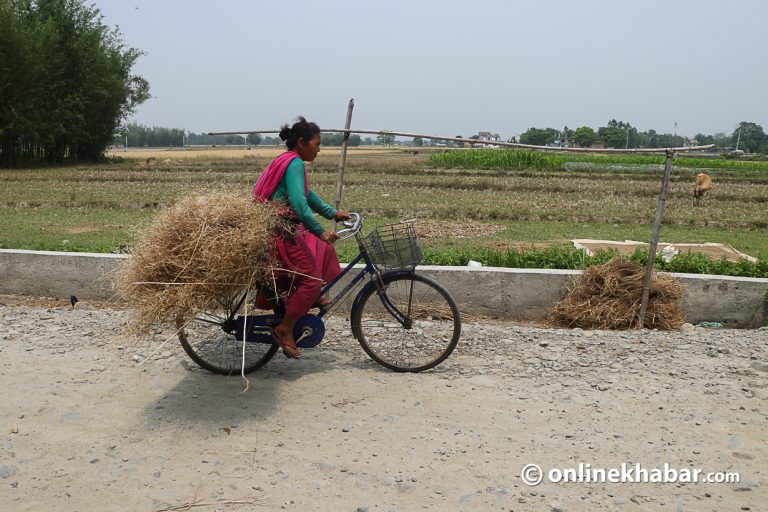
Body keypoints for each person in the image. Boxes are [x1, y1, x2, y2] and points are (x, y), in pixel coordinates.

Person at [252, 117, 350, 359]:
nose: (319, 149)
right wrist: (320, 230)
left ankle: (308, 300)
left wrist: (332, 213)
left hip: (282, 226)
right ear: (301, 143)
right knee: (311, 280)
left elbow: (307, 195)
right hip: (281, 230)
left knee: (322, 250)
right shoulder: (294, 163)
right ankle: (285, 329)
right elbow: (298, 203)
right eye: (316, 144)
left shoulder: (288, 161)